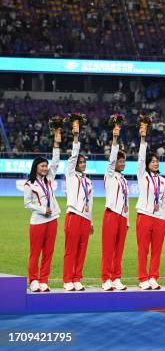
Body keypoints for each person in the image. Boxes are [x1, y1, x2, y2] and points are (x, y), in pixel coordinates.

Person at [23, 129, 61, 292]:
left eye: (46, 166)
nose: (46, 168)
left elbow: (56, 162)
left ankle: (44, 279)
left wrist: (56, 144)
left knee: (48, 252)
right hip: (38, 222)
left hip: (52, 220)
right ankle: (33, 280)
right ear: (36, 167)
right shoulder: (29, 184)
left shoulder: (49, 179)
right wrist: (41, 209)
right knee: (35, 253)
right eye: (43, 166)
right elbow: (27, 204)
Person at [136, 125, 165, 290]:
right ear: (148, 163)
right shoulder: (143, 176)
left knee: (157, 250)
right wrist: (143, 139)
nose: (155, 163)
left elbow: (164, 202)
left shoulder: (162, 180)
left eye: (156, 161)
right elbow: (141, 159)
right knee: (143, 249)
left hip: (159, 219)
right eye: (152, 161)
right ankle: (143, 278)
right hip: (145, 215)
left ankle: (153, 277)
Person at [63, 124, 94, 291]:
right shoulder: (71, 175)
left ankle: (77, 278)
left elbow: (91, 202)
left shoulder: (88, 181)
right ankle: (68, 279)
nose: (83, 164)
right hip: (74, 215)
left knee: (82, 250)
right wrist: (75, 137)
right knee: (71, 249)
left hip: (85, 218)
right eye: (80, 162)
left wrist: (91, 221)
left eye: (84, 162)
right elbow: (73, 156)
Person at [101, 126, 129, 291]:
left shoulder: (124, 180)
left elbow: (127, 202)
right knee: (108, 249)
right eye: (120, 161)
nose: (122, 163)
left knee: (119, 250)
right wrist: (115, 139)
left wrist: (128, 221)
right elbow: (112, 160)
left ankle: (116, 278)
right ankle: (106, 279)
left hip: (123, 217)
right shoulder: (110, 175)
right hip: (111, 214)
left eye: (124, 161)